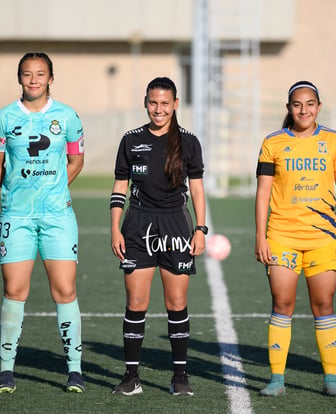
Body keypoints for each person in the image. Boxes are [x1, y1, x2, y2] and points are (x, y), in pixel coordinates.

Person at [0, 52, 85, 394]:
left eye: (40, 74)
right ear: (20, 78)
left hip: (58, 216)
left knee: (65, 290)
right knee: (15, 290)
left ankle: (74, 371)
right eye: (27, 74)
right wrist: (19, 193)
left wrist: (52, 189)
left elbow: (76, 160)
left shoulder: (68, 116)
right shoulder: (3, 118)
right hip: (17, 216)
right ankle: (6, 371)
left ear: (50, 79)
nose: (33, 80)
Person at [255, 81, 336, 397]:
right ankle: (277, 380)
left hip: (323, 237)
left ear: (319, 107)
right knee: (282, 303)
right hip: (282, 235)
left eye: (310, 104)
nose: (304, 110)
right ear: (289, 109)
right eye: (297, 105)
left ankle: (331, 379)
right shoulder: (272, 143)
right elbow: (263, 193)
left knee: (323, 304)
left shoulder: (334, 141)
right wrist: (261, 236)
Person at [110, 77, 207, 396]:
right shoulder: (130, 140)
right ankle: (131, 377)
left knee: (176, 302)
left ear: (176, 104)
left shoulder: (189, 142)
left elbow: (197, 189)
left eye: (165, 103)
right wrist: (115, 227)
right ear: (145, 103)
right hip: (137, 226)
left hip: (176, 227)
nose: (159, 109)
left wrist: (200, 229)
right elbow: (120, 186)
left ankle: (180, 377)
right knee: (135, 302)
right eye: (153, 102)